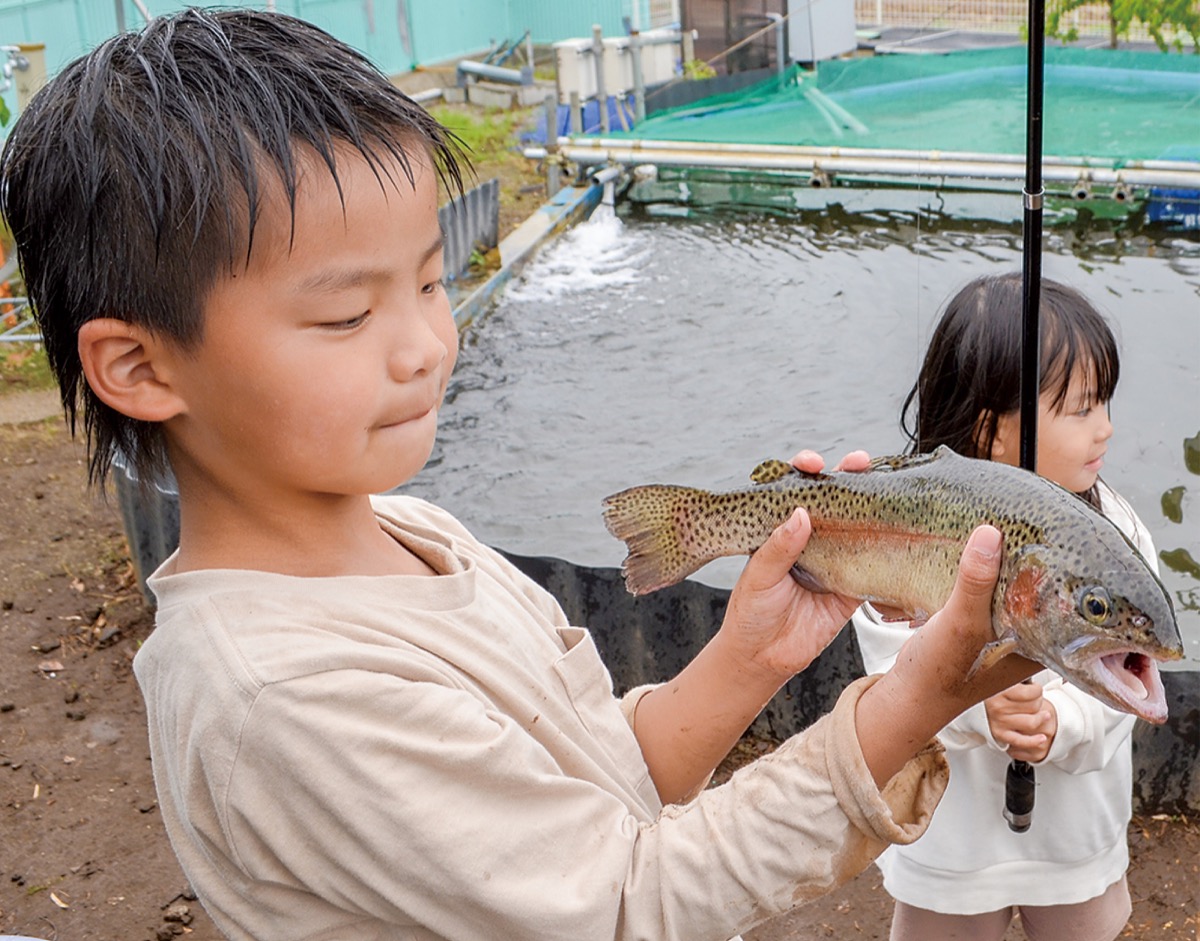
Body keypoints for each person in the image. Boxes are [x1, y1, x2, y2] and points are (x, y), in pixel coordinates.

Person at [0, 11, 1036, 940]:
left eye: (429, 281)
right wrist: (908, 702)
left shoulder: (412, 530)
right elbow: (625, 901)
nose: (424, 346)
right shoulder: (282, 697)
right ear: (140, 367)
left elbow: (595, 780)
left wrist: (749, 654)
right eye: (348, 315)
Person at [853, 272, 1156, 941]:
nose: (1106, 427)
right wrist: (972, 706)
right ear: (992, 429)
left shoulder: (1119, 534)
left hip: (1076, 843)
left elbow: (1134, 681)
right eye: (1081, 408)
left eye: (1104, 401)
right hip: (950, 849)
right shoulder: (908, 521)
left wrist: (1061, 720)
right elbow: (887, 670)